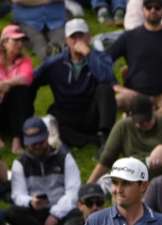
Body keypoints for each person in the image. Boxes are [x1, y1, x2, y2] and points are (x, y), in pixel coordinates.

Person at [32, 19, 117, 150]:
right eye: (73, 37)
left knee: (105, 88)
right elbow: (32, 79)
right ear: (67, 40)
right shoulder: (55, 63)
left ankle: (106, 140)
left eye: (81, 36)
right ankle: (93, 140)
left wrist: (88, 54)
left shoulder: (100, 57)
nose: (77, 41)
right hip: (66, 114)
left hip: (91, 114)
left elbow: (106, 77)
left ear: (89, 37)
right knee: (51, 122)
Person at [6, 116, 81, 225]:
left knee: (81, 213)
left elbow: (73, 192)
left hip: (62, 210)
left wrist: (56, 214)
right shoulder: (20, 163)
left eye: (40, 142)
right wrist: (31, 202)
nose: (37, 147)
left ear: (47, 136)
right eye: (32, 144)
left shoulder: (64, 158)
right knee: (11, 213)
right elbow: (18, 195)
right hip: (37, 211)